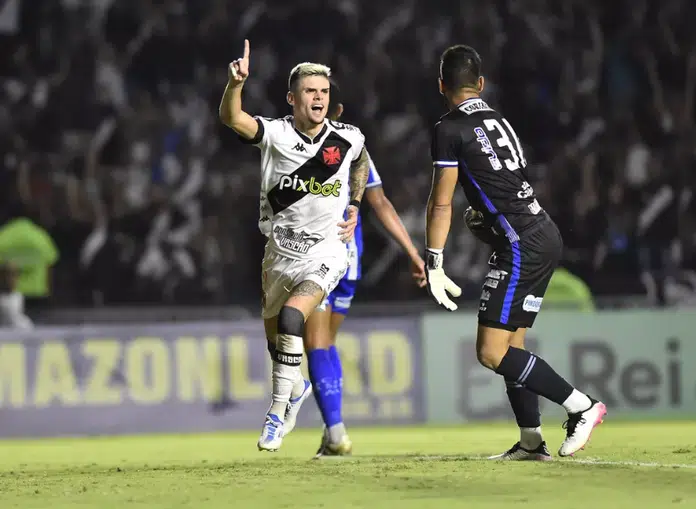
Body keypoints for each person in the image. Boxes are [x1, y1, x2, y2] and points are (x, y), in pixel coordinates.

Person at [423, 45, 607, 460]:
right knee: (513, 345)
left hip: (521, 243)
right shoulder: (498, 120)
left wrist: (433, 258)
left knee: (491, 352)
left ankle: (582, 405)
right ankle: (530, 441)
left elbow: (440, 202)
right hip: (541, 232)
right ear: (481, 84)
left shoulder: (448, 128)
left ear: (441, 86)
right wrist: (489, 222)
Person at [219, 40, 370, 453]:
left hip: (327, 253)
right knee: (276, 343)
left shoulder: (347, 137)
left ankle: (275, 413)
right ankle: (297, 388)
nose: (319, 98)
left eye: (323, 91)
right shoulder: (275, 133)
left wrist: (355, 204)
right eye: (309, 91)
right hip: (280, 254)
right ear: (292, 98)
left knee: (292, 320)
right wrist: (236, 84)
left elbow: (361, 160)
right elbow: (232, 117)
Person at [304, 79, 427, 458]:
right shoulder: (356, 150)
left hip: (316, 257)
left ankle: (337, 432)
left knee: (316, 346)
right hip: (349, 261)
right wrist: (413, 252)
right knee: (326, 344)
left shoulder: (296, 146)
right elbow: (382, 204)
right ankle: (332, 431)